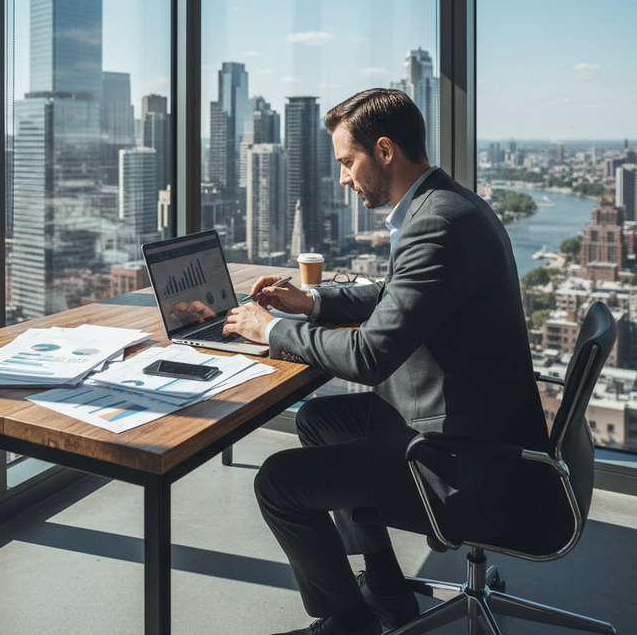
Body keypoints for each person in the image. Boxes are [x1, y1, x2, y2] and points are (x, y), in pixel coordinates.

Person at [223, 89, 549, 635]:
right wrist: (312, 302)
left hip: (462, 458)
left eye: (347, 162)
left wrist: (271, 329)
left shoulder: (436, 224)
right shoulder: (444, 204)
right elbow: (394, 294)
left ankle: (349, 622)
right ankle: (387, 589)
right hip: (476, 420)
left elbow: (370, 356)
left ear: (384, 150)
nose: (343, 178)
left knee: (279, 482)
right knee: (317, 420)